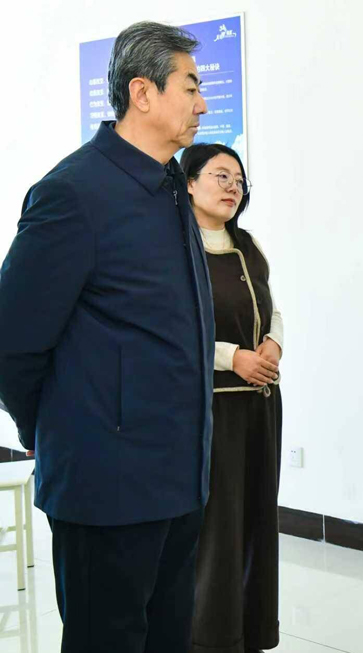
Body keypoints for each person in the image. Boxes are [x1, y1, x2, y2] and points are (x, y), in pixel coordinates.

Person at [0, 21, 213, 652]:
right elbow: (12, 341)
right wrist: (53, 430)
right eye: (190, 87)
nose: (202, 104)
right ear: (142, 93)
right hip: (106, 489)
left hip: (178, 481)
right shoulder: (74, 194)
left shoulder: (170, 186)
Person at [181, 143, 284, 653]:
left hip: (261, 403)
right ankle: (211, 639)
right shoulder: (177, 248)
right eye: (220, 176)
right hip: (212, 406)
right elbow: (176, 326)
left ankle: (252, 632)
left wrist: (273, 345)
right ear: (189, 183)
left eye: (239, 180)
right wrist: (232, 357)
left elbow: (273, 309)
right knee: (218, 528)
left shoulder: (249, 245)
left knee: (258, 519)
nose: (232, 187)